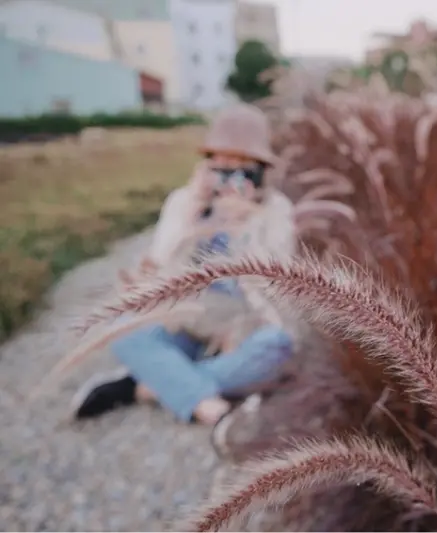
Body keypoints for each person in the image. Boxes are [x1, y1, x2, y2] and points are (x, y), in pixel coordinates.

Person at [70, 103, 297, 431]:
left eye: (242, 168)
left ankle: (147, 386)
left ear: (261, 169)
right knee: (120, 325)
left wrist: (245, 229)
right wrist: (192, 217)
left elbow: (278, 284)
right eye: (222, 166)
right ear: (206, 164)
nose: (231, 179)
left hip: (244, 327)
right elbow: (158, 265)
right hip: (186, 321)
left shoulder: (277, 210)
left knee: (278, 347)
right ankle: (209, 405)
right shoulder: (183, 201)